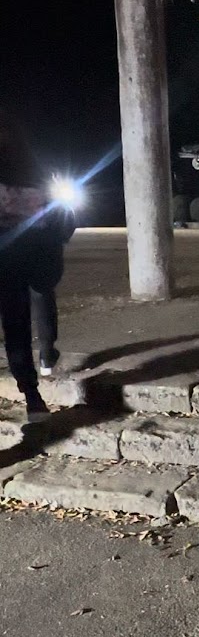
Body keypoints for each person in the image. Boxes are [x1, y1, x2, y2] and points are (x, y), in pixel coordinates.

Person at [0, 111, 50, 419]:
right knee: (17, 328)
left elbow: (42, 217)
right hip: (16, 261)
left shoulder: (25, 170)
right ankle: (32, 395)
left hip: (14, 263)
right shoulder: (28, 169)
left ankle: (31, 393)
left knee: (17, 328)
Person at [30, 200, 76, 376]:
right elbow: (67, 220)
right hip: (44, 253)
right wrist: (59, 239)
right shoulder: (47, 196)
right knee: (42, 298)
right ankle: (46, 356)